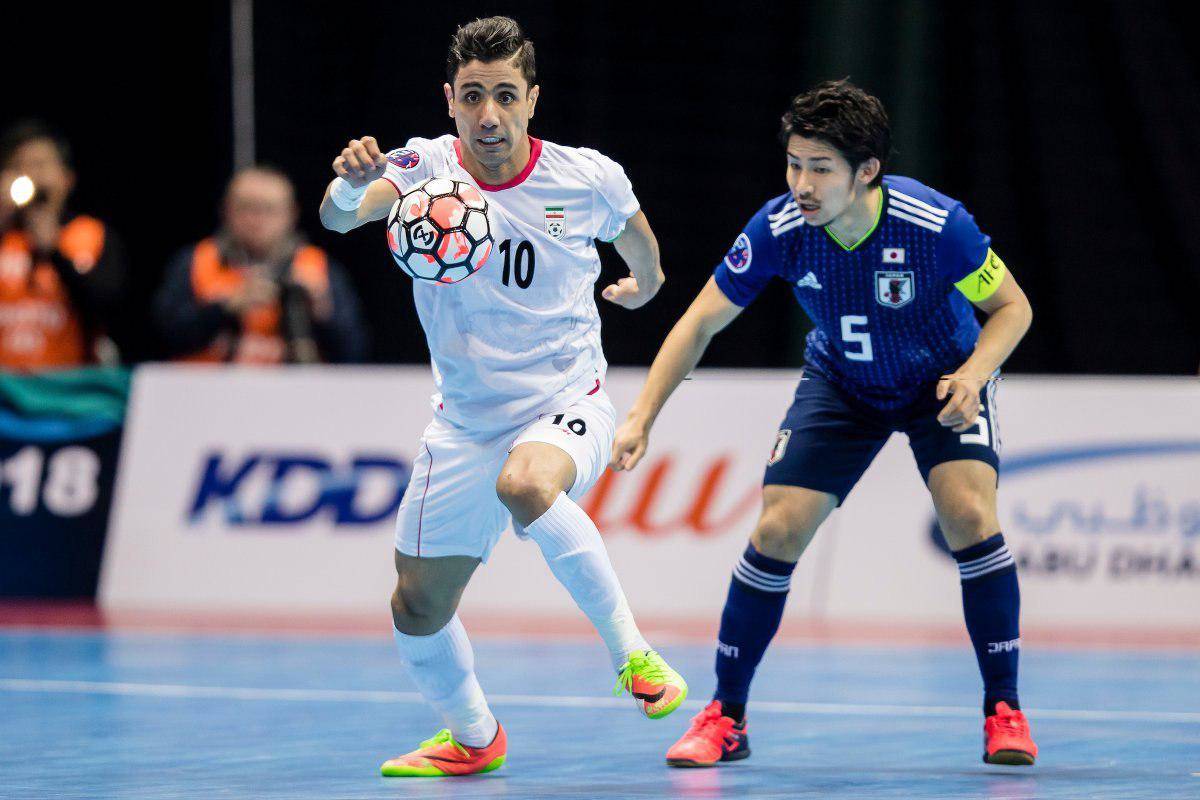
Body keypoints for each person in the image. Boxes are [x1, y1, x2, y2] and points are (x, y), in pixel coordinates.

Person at [611, 80, 1038, 768]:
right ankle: (726, 716)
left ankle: (1004, 709)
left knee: (969, 515)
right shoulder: (779, 229)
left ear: (867, 171)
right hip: (843, 385)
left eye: (820, 169)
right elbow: (699, 322)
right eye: (793, 164)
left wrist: (974, 374)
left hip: (942, 384)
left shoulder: (937, 226)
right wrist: (641, 416)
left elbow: (1013, 309)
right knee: (777, 528)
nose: (801, 185)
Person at [317, 16, 687, 778]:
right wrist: (349, 184)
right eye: (473, 96)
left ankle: (634, 655)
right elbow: (338, 215)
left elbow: (644, 250)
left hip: (566, 400)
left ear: (532, 100)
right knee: (415, 606)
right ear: (450, 100)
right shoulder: (424, 167)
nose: (490, 115)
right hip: (464, 423)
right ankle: (474, 737)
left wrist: (644, 287)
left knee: (525, 483)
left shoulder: (586, 177)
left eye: (506, 96)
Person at [155, 166, 367, 363]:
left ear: (291, 213)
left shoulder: (318, 266)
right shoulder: (196, 260)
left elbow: (354, 351)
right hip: (207, 385)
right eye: (246, 207)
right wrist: (224, 307)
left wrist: (321, 310)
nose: (256, 220)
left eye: (269, 209)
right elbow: (163, 337)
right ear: (226, 209)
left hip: (295, 387)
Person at [0, 121, 127, 370]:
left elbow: (111, 308)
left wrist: (55, 254)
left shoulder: (91, 235)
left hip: (68, 386)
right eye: (19, 166)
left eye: (40, 164)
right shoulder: (5, 236)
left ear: (67, 179)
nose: (31, 175)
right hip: (5, 387)